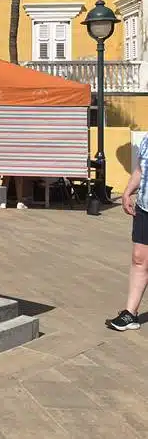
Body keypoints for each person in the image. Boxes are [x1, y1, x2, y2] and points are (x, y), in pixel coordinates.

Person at [107, 134, 148, 331]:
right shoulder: (147, 138)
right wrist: (127, 191)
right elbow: (141, 169)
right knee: (139, 258)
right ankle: (130, 314)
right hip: (145, 207)